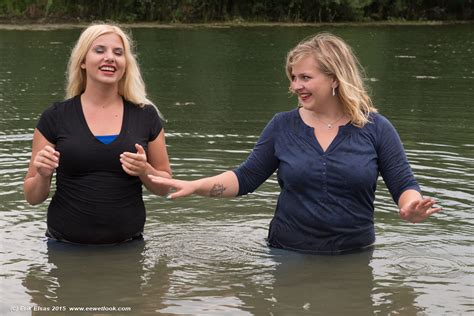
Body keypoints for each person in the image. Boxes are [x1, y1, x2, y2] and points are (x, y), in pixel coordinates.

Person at [149, 33, 441, 254]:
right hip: (286, 254)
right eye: (293, 77)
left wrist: (411, 206)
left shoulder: (376, 128)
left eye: (305, 77)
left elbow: (403, 183)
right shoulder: (282, 126)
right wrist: (195, 186)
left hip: (353, 257)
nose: (295, 86)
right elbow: (245, 178)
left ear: (335, 78)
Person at [23, 23, 172, 244]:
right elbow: (32, 197)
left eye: (118, 53)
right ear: (82, 61)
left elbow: (166, 187)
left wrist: (145, 170)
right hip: (66, 249)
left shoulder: (146, 116)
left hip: (128, 250)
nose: (110, 58)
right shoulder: (55, 117)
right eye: (99, 50)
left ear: (125, 64)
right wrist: (43, 175)